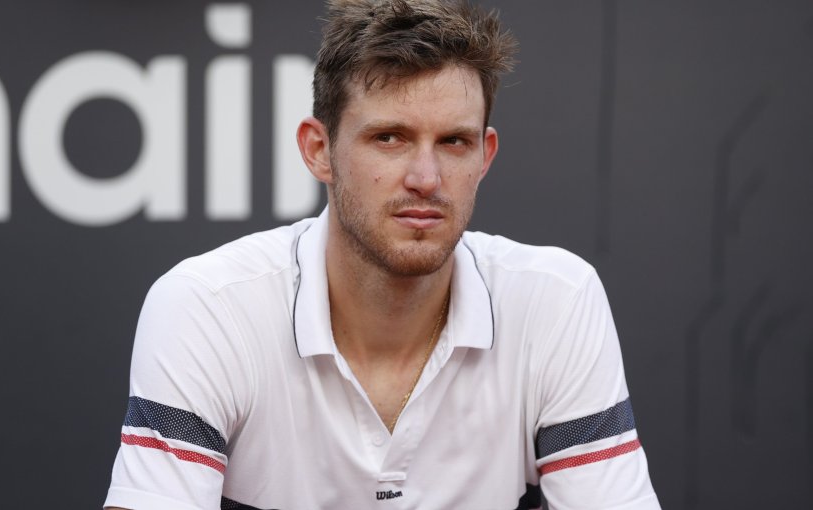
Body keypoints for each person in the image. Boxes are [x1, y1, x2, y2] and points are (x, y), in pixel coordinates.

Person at [105, 0, 660, 508]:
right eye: (389, 138)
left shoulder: (555, 300)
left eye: (453, 142)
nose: (426, 178)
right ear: (318, 150)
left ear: (484, 156)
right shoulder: (208, 306)